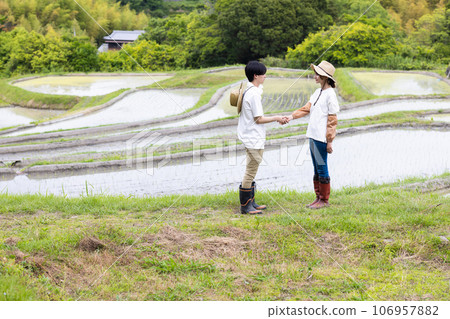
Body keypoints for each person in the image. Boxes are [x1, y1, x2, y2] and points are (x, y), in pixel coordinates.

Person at [286, 61, 339, 209]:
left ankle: (324, 200)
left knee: (322, 167)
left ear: (324, 77)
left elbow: (332, 120)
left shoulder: (330, 95)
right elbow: (306, 109)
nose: (314, 76)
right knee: (316, 168)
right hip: (312, 135)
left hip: (321, 138)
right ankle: (318, 198)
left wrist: (329, 141)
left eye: (317, 74)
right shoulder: (317, 92)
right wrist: (290, 117)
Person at [238, 61, 289, 215]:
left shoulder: (251, 90)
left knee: (252, 169)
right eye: (263, 74)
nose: (265, 76)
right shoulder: (253, 94)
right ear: (256, 76)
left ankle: (251, 203)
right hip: (253, 137)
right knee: (251, 170)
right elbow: (258, 119)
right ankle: (246, 206)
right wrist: (277, 118)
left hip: (250, 136)